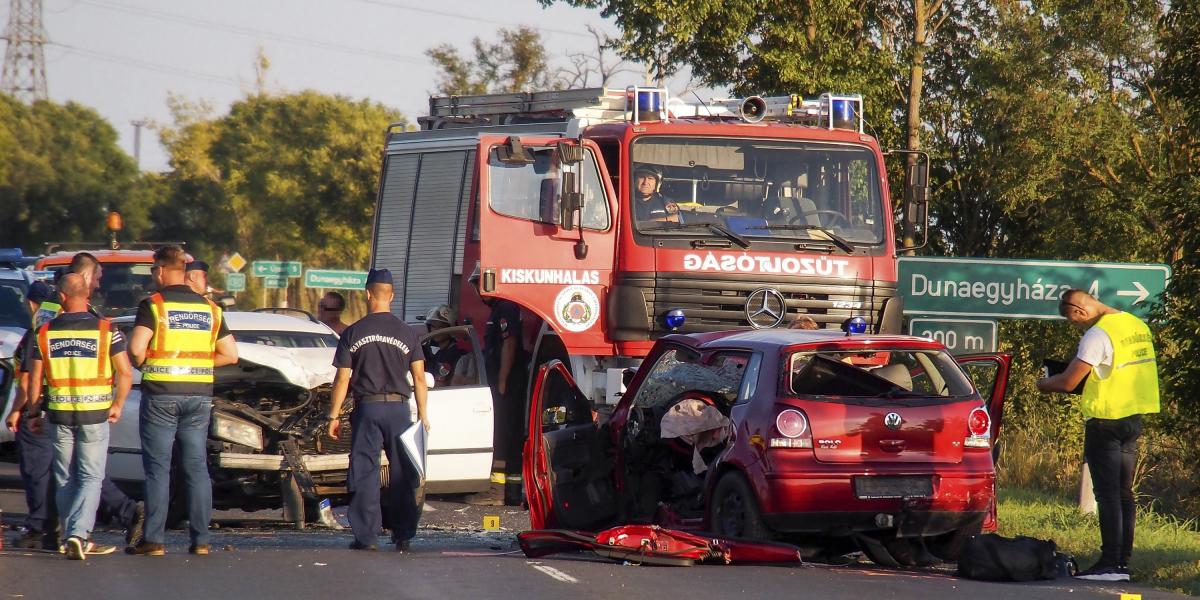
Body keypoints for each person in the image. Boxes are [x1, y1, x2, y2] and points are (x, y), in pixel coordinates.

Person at [7, 283, 146, 552]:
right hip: (94, 414)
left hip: (59, 414)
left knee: (63, 477)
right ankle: (78, 535)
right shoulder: (107, 330)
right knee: (91, 477)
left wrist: (33, 412)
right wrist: (117, 403)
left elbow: (35, 378)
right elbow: (125, 372)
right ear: (88, 295)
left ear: (61, 297)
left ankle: (69, 535)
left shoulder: (44, 332)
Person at [1037, 289, 1160, 582]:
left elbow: (1068, 382)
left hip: (1105, 421)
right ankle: (1121, 563)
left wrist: (1044, 383)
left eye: (1074, 322)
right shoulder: (1135, 324)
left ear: (1079, 310)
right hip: (1133, 418)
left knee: (1107, 495)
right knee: (1123, 493)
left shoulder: (1097, 335)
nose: (1078, 327)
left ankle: (1109, 565)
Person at [127, 245, 238, 557]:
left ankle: (154, 541)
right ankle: (201, 540)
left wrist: (148, 365)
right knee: (196, 467)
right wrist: (198, 365)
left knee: (159, 469)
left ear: (161, 270)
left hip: (162, 395)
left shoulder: (154, 305)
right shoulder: (211, 309)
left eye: (152, 271)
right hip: (199, 396)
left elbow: (136, 350)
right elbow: (231, 354)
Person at [325, 268, 428, 552]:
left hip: (367, 410)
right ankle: (403, 534)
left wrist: (333, 416)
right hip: (399, 410)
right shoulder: (408, 333)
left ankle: (366, 537)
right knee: (402, 473)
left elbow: (342, 378)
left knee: (365, 471)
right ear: (391, 296)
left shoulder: (353, 333)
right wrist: (423, 416)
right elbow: (419, 378)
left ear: (368, 294)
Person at [469, 266, 528, 504]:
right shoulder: (500, 309)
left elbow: (510, 342)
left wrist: (502, 379)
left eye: (477, 285)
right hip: (505, 380)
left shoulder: (505, 308)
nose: (476, 291)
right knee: (508, 435)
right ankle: (510, 493)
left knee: (501, 434)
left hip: (507, 382)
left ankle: (496, 490)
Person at [422, 304, 476, 387]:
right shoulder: (439, 353)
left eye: (440, 327)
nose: (436, 331)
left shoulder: (454, 355)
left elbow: (441, 384)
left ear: (450, 329)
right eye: (433, 326)